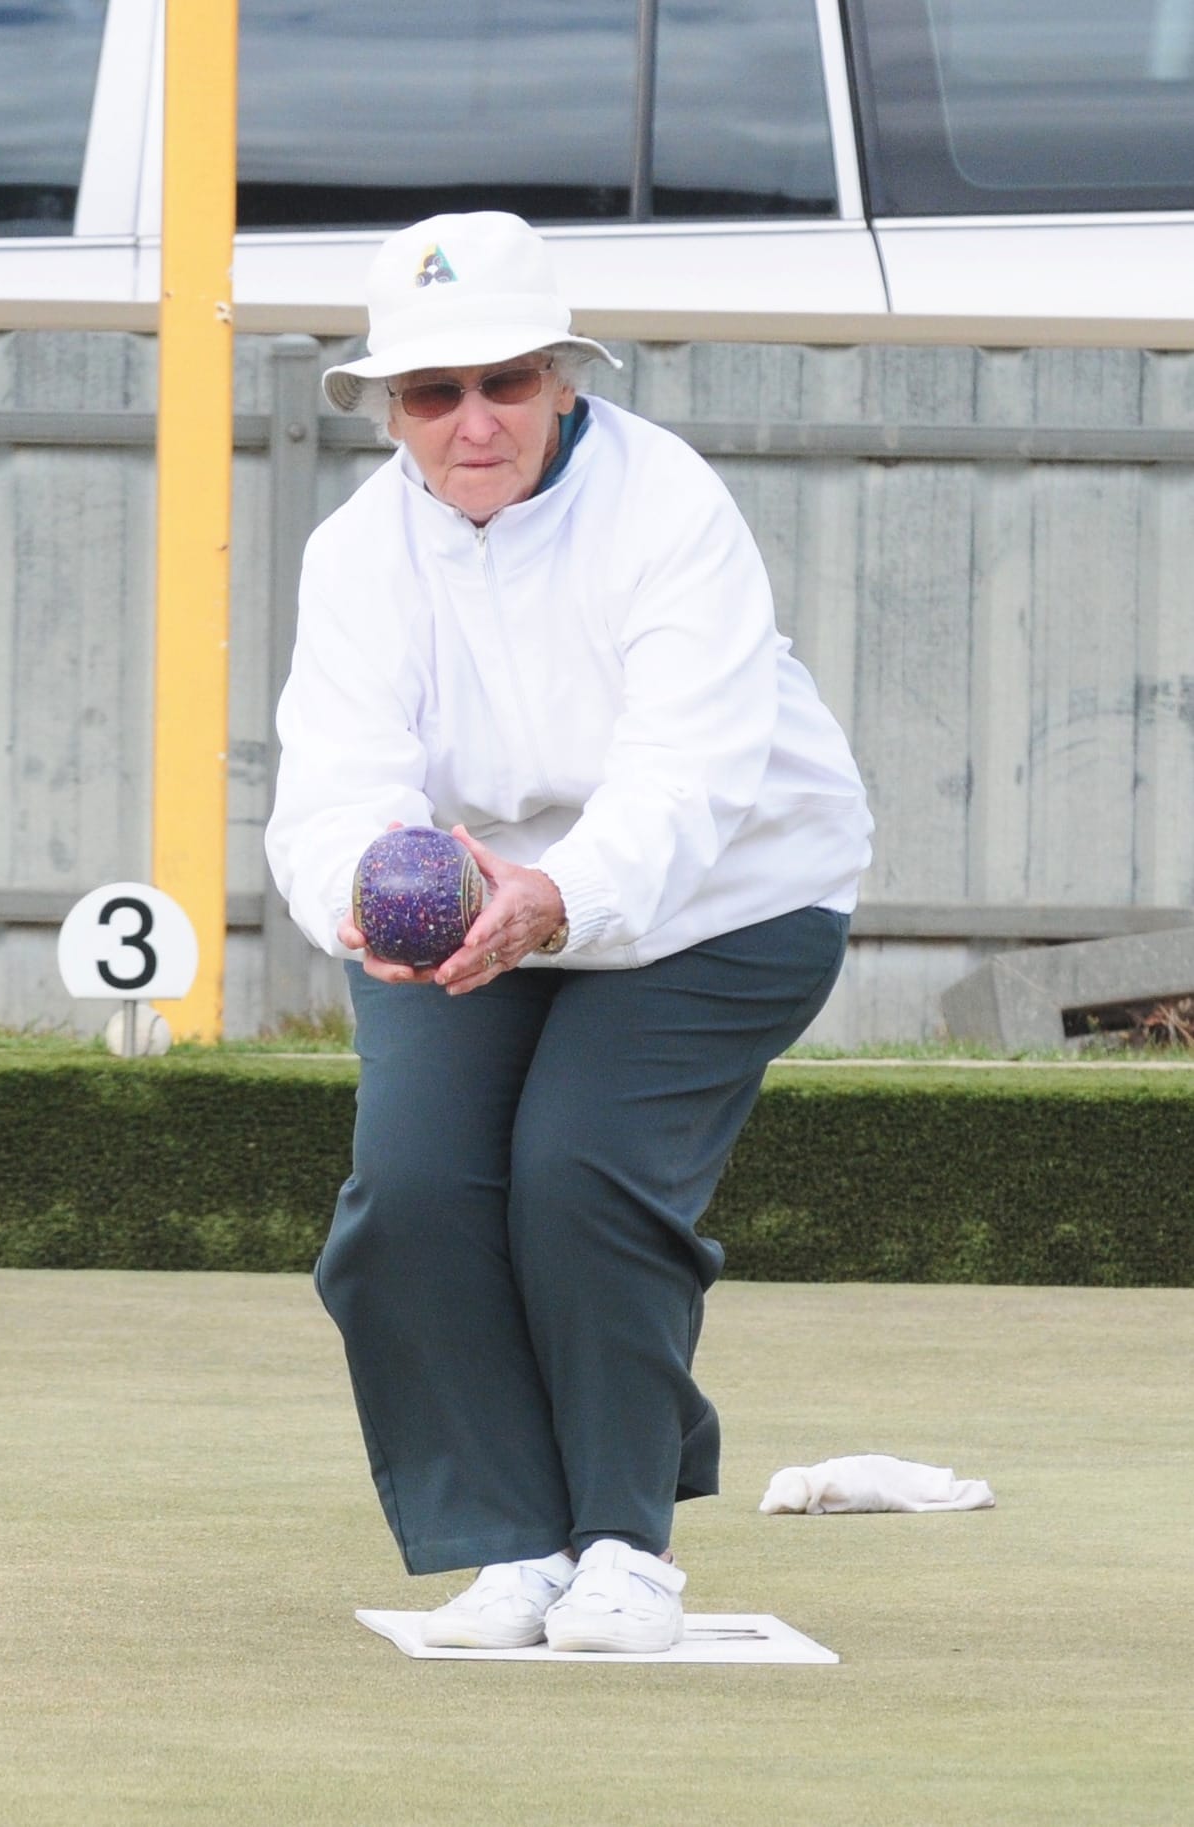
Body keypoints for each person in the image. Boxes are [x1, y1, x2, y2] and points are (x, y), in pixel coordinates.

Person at [266, 211, 872, 1655]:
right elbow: (332, 785)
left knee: (578, 1173)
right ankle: (515, 1546)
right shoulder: (359, 554)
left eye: (505, 382)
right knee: (407, 1198)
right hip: (473, 910)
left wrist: (567, 896)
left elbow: (691, 773)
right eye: (432, 393)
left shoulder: (668, 508)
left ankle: (623, 1550)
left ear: (561, 379)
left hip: (727, 898)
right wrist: (362, 898)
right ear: (388, 411)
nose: (472, 423)